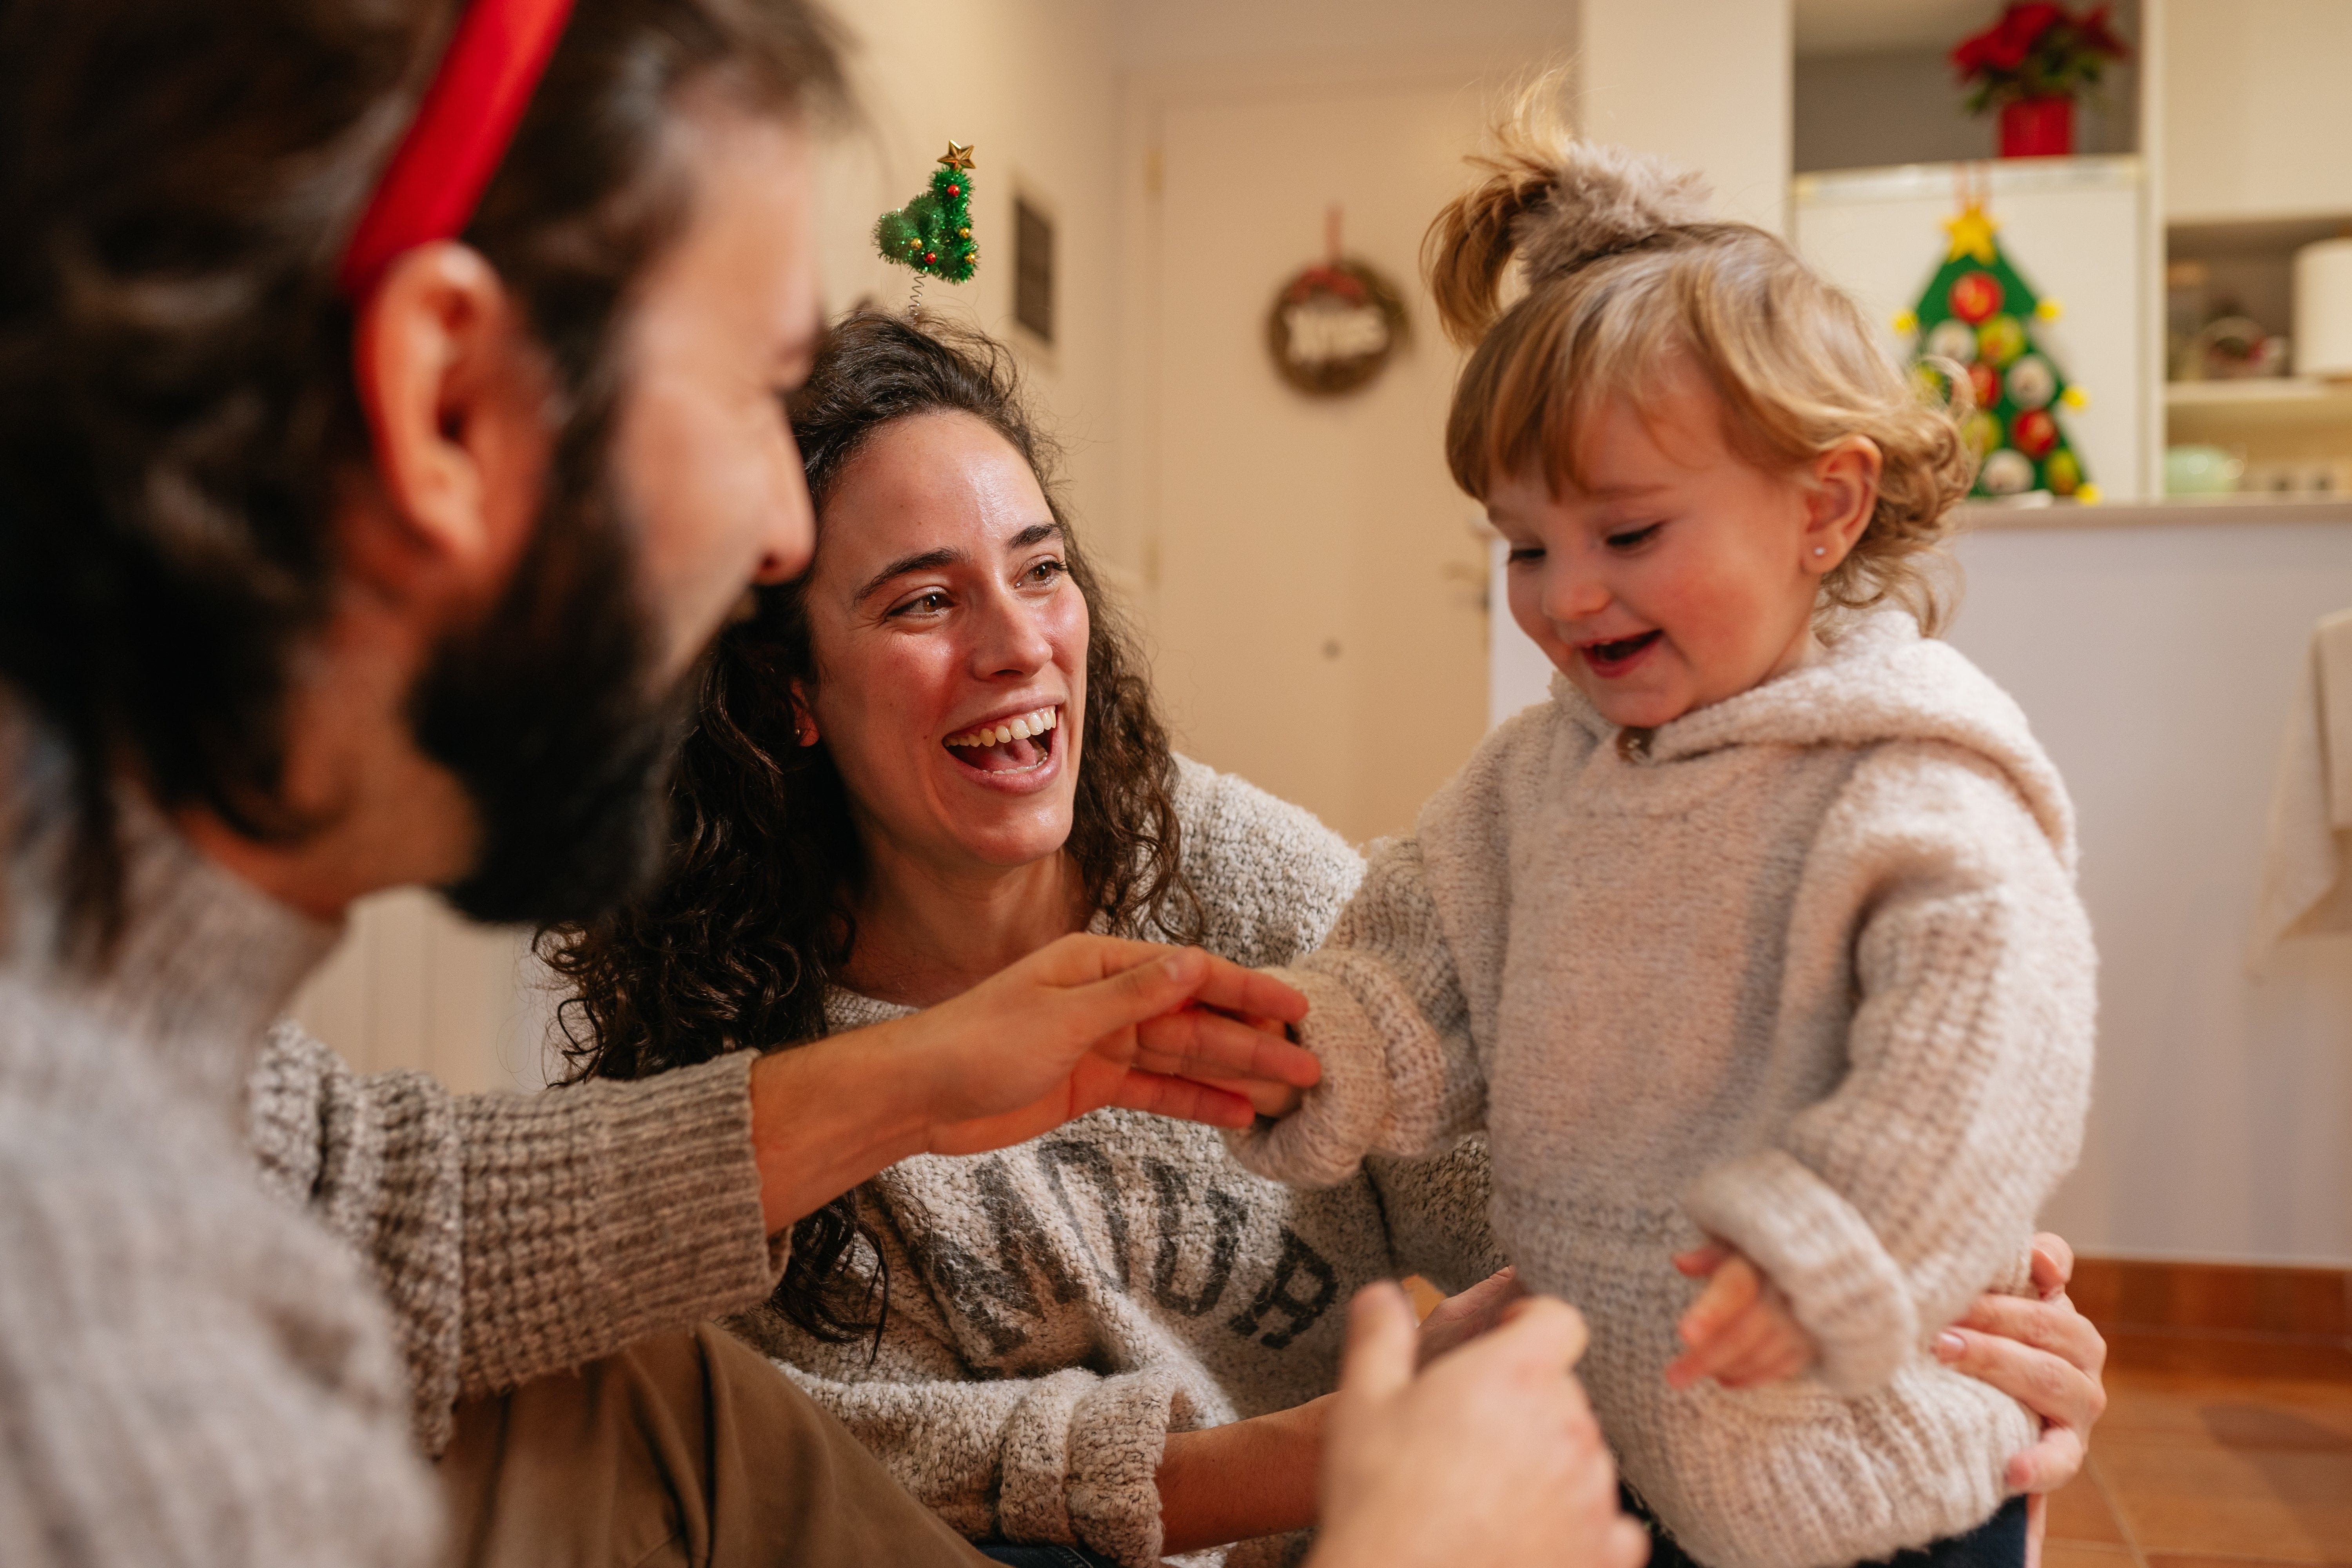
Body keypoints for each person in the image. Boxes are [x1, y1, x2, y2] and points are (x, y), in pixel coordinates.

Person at [1, 2, 1623, 1564]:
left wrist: (919, 1076)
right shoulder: (98, 1391)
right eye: (742, 395)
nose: (776, 539)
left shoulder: (121, 1013)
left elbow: (379, 1199)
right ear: (443, 402)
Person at [542, 313, 2111, 1567]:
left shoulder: (1232, 867)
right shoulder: (751, 1064)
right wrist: (1281, 1464)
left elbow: (1531, 1193)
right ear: (790, 696)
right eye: (919, 601)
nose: (1020, 643)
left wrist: (1865, 1299)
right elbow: (818, 1464)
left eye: (1040, 569)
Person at [1225, 102, 2097, 1568]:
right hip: (1629, 1436)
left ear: (1824, 506)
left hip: (1865, 1470)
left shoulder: (1908, 784)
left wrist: (1837, 1247)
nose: (1567, 597)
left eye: (1627, 537)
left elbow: (1985, 1067)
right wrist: (1317, 1047)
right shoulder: (1536, 779)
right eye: (1524, 545)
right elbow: (1428, 961)